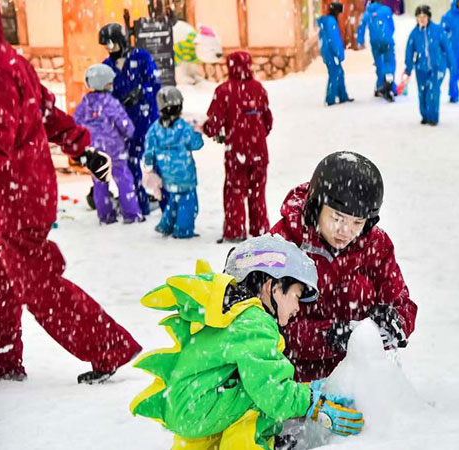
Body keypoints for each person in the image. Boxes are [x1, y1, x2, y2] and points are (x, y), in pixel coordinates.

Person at [0, 7, 141, 384]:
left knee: (36, 283)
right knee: (2, 278)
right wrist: (82, 147)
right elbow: (46, 111)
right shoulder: (14, 62)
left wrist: (80, 147)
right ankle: (3, 359)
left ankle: (106, 346)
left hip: (14, 197)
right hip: (25, 190)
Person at [130, 235, 365, 449]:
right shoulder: (255, 321)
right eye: (296, 295)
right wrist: (313, 401)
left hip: (190, 405)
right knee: (261, 399)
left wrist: (305, 391)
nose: (297, 308)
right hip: (200, 405)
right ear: (270, 287)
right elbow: (272, 390)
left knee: (250, 389)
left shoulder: (232, 313)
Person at [271, 152, 418, 381]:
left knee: (359, 286)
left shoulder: (376, 246)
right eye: (337, 218)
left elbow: (402, 303)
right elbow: (266, 326)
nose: (346, 231)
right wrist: (330, 336)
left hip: (359, 379)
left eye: (357, 222)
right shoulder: (285, 242)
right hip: (294, 381)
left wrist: (396, 321)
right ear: (317, 206)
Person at [204, 51, 274, 244]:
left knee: (235, 192)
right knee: (257, 192)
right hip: (259, 152)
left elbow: (214, 123)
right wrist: (255, 136)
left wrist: (210, 130)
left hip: (237, 153)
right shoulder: (258, 89)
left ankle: (235, 231)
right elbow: (268, 121)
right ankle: (260, 229)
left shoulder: (224, 91)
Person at [99, 23, 162, 216]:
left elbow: (154, 83)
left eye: (111, 44)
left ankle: (168, 203)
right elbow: (104, 93)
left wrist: (141, 92)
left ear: (121, 40)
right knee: (131, 165)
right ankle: (139, 205)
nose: (110, 50)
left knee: (159, 163)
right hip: (124, 125)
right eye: (106, 46)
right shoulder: (107, 66)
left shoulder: (141, 57)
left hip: (147, 120)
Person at [73, 63, 143, 225]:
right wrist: (130, 133)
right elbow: (123, 123)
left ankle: (105, 215)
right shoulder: (110, 102)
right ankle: (131, 213)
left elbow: (75, 122)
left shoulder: (85, 103)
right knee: (123, 178)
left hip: (94, 149)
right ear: (105, 84)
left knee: (99, 181)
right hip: (114, 147)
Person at [143, 86, 204, 239]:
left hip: (167, 175)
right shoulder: (183, 128)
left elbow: (148, 150)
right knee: (188, 205)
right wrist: (198, 131)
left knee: (174, 200)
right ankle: (183, 230)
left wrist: (149, 166)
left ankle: (166, 225)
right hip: (185, 176)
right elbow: (196, 144)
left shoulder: (154, 129)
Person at [405, 5, 454, 126]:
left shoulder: (437, 30)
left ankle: (433, 117)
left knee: (433, 90)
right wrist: (409, 67)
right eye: (419, 17)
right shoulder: (414, 34)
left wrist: (451, 64)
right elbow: (409, 51)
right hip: (421, 68)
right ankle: (425, 115)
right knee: (423, 92)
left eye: (424, 16)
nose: (422, 19)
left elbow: (447, 48)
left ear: (429, 17)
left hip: (437, 67)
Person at [357, 0, 397, 102]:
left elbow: (361, 27)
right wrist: (388, 34)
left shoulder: (367, 13)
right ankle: (389, 84)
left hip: (374, 42)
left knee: (379, 64)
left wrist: (360, 41)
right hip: (387, 40)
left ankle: (380, 85)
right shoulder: (386, 10)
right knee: (389, 62)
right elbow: (392, 26)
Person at [318, 2, 353, 106]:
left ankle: (342, 96)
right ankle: (331, 98)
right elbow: (335, 40)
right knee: (335, 74)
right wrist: (339, 53)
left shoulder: (325, 22)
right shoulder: (331, 22)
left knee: (338, 73)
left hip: (327, 51)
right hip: (331, 52)